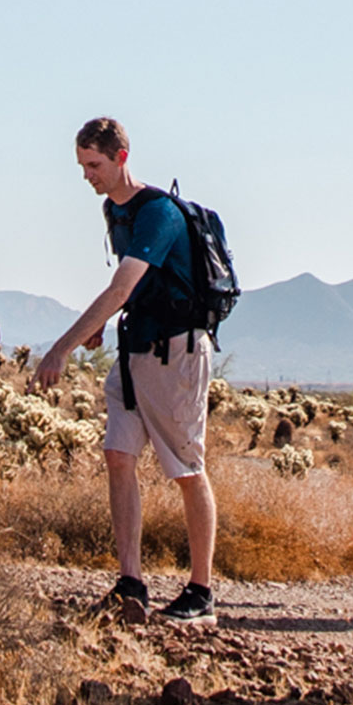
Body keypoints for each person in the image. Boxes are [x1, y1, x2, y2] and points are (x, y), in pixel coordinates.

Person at [36, 117, 217, 625]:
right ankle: (130, 582)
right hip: (134, 349)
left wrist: (62, 348)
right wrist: (102, 329)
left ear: (120, 157)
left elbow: (120, 288)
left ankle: (201, 593)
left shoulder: (158, 212)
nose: (87, 176)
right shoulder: (113, 212)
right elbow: (134, 290)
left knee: (186, 468)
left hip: (175, 354)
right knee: (118, 455)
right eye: (81, 166)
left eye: (94, 164)